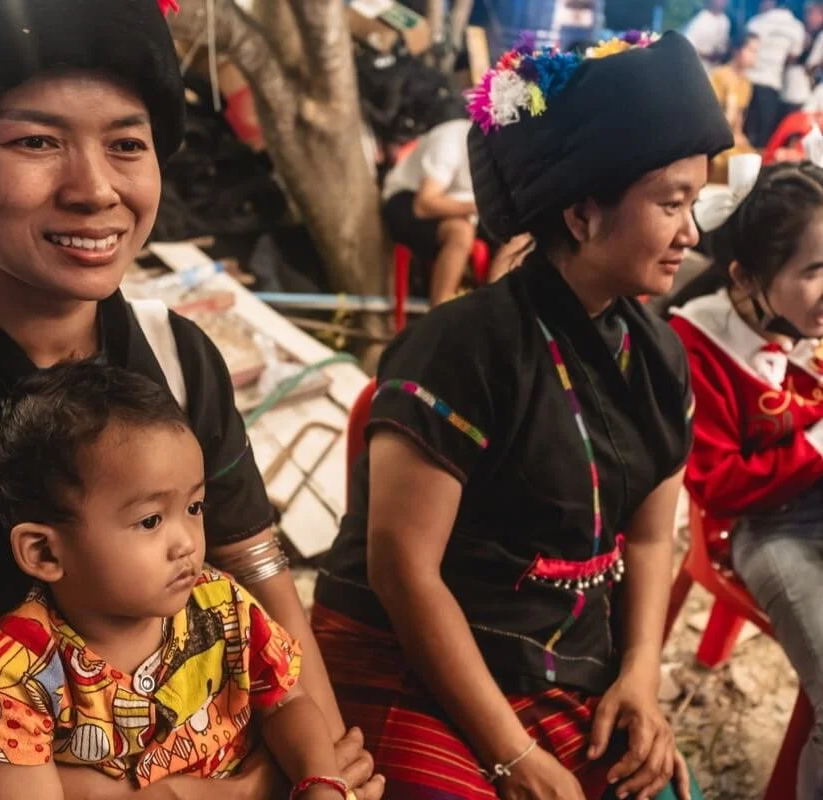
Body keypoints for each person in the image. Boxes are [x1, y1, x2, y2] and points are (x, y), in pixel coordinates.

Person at [0, 1, 383, 798]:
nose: (96, 189)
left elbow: (265, 595)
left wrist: (321, 773)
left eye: (127, 144)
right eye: (35, 141)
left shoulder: (178, 355)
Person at [313, 31, 732, 800]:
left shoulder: (658, 359)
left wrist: (638, 677)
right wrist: (511, 756)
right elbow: (402, 570)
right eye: (672, 204)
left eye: (695, 204)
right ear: (581, 214)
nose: (691, 233)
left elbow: (646, 535)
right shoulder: (462, 350)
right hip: (407, 645)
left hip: (557, 648)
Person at [0, 362, 348, 799]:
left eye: (194, 508)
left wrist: (320, 783)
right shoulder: (17, 672)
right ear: (45, 552)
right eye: (150, 521)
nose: (186, 543)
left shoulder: (223, 605)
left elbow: (287, 702)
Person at [670, 159, 823, 800]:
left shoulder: (803, 321)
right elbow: (718, 486)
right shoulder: (697, 341)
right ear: (746, 277)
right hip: (765, 527)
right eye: (815, 272)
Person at [381, 117, 531, 306]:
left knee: (520, 236)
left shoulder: (509, 153)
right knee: (460, 231)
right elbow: (424, 205)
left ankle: (498, 309)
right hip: (407, 200)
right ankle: (439, 313)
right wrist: (480, 207)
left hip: (466, 209)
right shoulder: (452, 140)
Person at [746, 1, 807, 148]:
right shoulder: (796, 28)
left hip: (746, 83)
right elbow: (793, 57)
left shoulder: (757, 22)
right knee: (763, 138)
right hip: (771, 84)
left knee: (744, 132)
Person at [709, 34, 761, 182]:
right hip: (715, 138)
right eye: (750, 50)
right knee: (732, 162)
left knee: (753, 159)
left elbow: (739, 119)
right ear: (737, 50)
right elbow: (711, 116)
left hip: (731, 138)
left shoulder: (746, 83)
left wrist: (739, 136)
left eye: (756, 52)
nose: (753, 56)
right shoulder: (719, 75)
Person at [685, 0, 733, 67]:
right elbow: (686, 48)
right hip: (699, 67)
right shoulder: (699, 21)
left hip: (716, 67)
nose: (723, 1)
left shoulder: (725, 20)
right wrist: (707, 56)